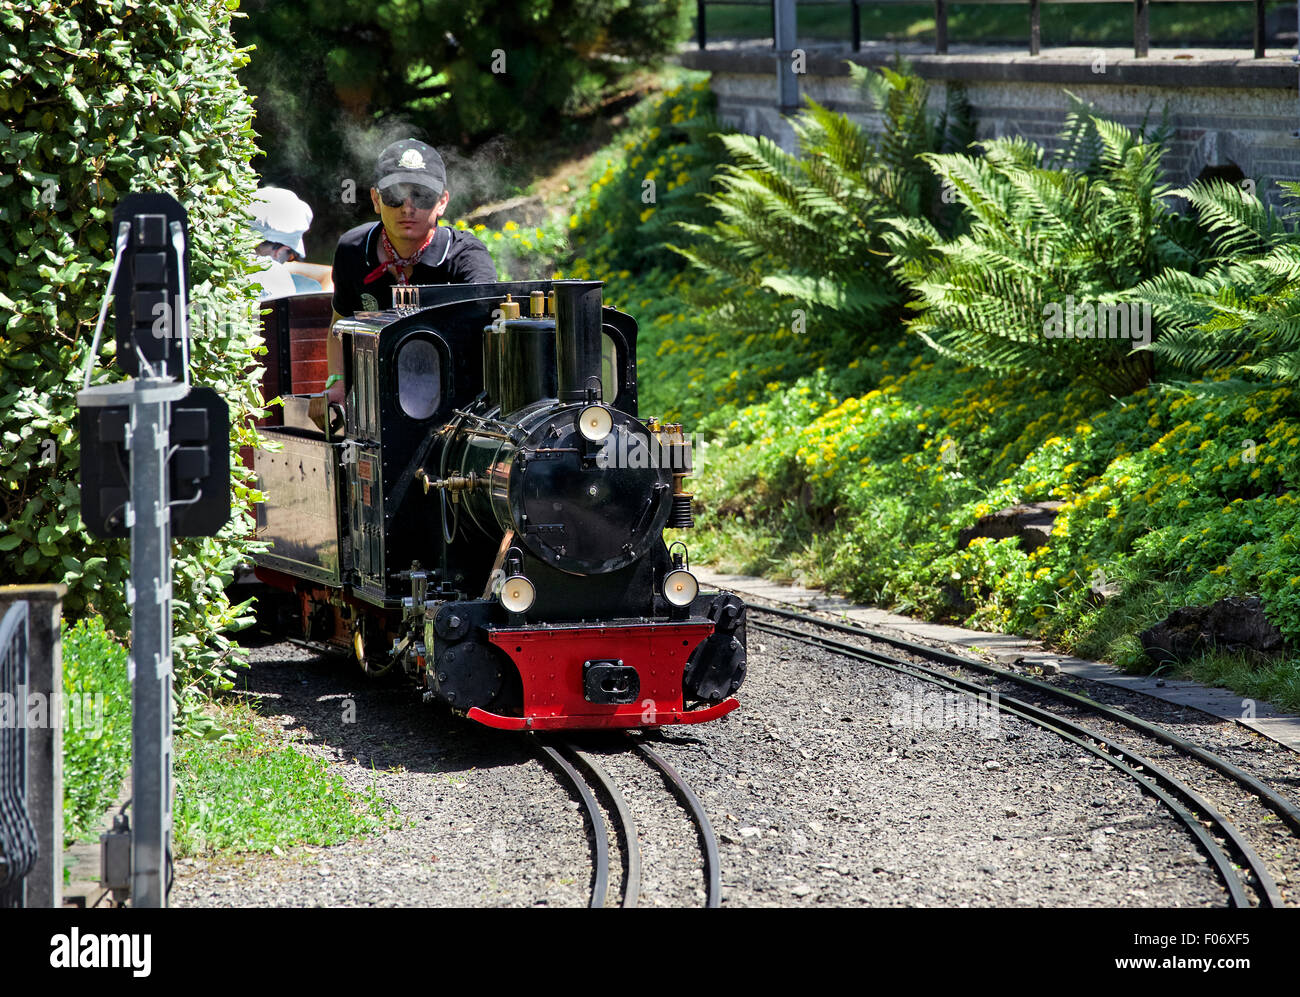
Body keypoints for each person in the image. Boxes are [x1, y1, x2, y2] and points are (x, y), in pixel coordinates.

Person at [327, 139, 497, 402]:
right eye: (395, 196)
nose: (407, 207)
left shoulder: (468, 259)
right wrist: (337, 383)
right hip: (374, 399)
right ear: (375, 199)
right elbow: (339, 326)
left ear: (442, 202)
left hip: (452, 401)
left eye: (422, 195)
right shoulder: (352, 249)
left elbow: (487, 342)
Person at [247, 187, 334, 298]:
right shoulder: (274, 276)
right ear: (280, 251)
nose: (288, 262)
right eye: (291, 257)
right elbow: (329, 275)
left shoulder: (221, 255)